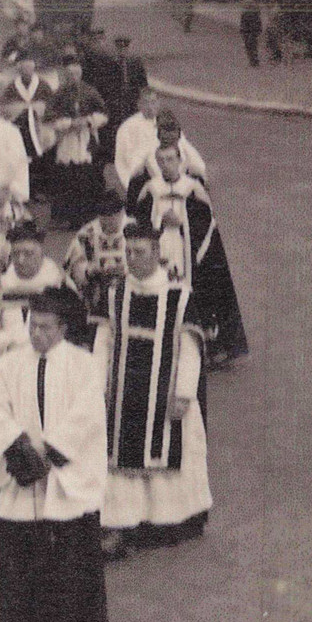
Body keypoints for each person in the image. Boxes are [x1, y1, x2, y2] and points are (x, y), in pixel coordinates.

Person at [0, 289, 108, 622]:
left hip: (63, 474)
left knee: (65, 551)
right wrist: (20, 449)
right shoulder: (9, 366)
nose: (37, 335)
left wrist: (51, 451)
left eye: (46, 328)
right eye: (33, 327)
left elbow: (88, 414)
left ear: (63, 329)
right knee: (25, 548)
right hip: (24, 471)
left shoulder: (83, 365)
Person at [97, 222, 212, 558]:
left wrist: (184, 394)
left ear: (157, 253)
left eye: (140, 252)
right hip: (121, 395)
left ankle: (168, 520)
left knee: (168, 449)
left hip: (165, 395)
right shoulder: (114, 293)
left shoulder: (180, 296)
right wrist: (95, 386)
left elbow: (190, 350)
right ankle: (125, 520)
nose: (133, 259)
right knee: (119, 459)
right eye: (128, 251)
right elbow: (103, 343)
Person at [132, 143, 247, 369]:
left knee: (198, 294)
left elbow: (206, 223)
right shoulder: (150, 190)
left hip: (189, 253)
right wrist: (159, 223)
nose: (166, 164)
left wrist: (183, 224)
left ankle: (202, 350)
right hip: (160, 249)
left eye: (170, 159)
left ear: (180, 161)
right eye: (161, 160)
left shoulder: (193, 189)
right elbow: (140, 223)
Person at [0, 220, 73, 383]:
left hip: (52, 376)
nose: (21, 260)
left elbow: (75, 335)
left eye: (28, 253)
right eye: (16, 254)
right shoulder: (2, 288)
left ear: (41, 252)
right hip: (9, 374)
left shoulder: (58, 285)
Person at [46, 56, 108, 230]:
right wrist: (69, 124)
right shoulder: (59, 94)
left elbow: (103, 114)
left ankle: (89, 215)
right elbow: (50, 119)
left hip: (87, 138)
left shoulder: (90, 91)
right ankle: (69, 217)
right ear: (66, 75)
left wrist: (88, 121)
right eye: (70, 74)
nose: (74, 77)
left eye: (76, 73)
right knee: (68, 178)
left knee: (89, 176)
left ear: (81, 73)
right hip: (67, 140)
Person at [0, 53, 53, 202]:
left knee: (39, 158)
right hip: (20, 129)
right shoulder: (11, 87)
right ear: (19, 67)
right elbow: (5, 108)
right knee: (21, 159)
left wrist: (36, 109)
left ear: (34, 67)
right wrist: (21, 109)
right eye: (24, 66)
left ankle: (40, 190)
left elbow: (52, 106)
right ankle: (24, 189)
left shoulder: (42, 85)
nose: (27, 69)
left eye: (30, 65)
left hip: (39, 129)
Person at [64, 187, 132, 308]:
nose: (108, 224)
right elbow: (74, 266)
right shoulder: (87, 233)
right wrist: (90, 271)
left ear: (121, 212)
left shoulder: (135, 229)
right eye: (104, 219)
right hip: (97, 292)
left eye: (113, 218)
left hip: (131, 289)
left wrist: (126, 270)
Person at [240, 0, 264, 66]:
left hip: (251, 31)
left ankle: (253, 60)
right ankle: (253, 60)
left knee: (251, 45)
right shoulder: (253, 13)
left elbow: (243, 23)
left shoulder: (249, 13)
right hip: (250, 31)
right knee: (251, 45)